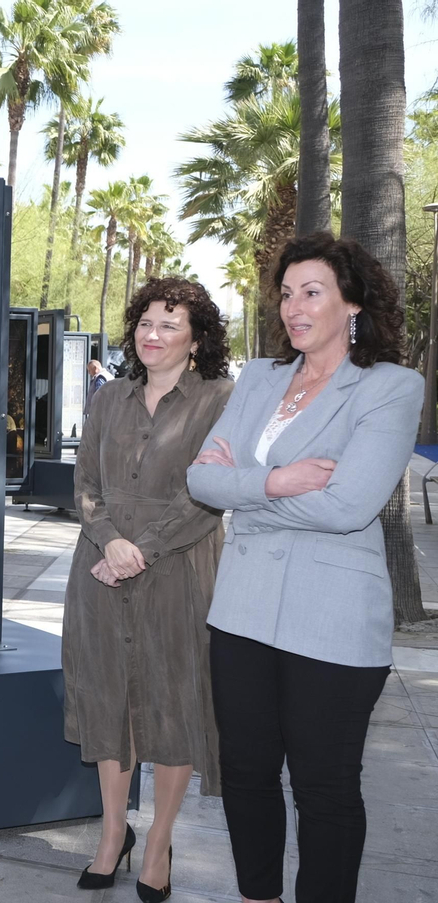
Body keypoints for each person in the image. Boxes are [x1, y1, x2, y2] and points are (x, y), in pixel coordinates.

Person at [188, 233, 422, 903]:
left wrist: (248, 492)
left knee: (325, 788)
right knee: (246, 774)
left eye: (311, 291)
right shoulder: (260, 377)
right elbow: (200, 481)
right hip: (241, 613)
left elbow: (350, 504)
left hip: (335, 626)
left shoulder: (390, 388)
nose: (294, 306)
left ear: (352, 303)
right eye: (287, 293)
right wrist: (281, 481)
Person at [64, 277, 234, 900]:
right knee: (109, 701)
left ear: (196, 339)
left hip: (179, 574)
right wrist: (109, 540)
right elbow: (85, 483)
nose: (152, 336)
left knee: (174, 705)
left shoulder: (220, 399)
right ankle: (114, 833)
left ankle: (158, 839)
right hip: (100, 573)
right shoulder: (109, 398)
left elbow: (210, 495)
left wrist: (142, 551)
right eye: (145, 324)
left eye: (169, 326)